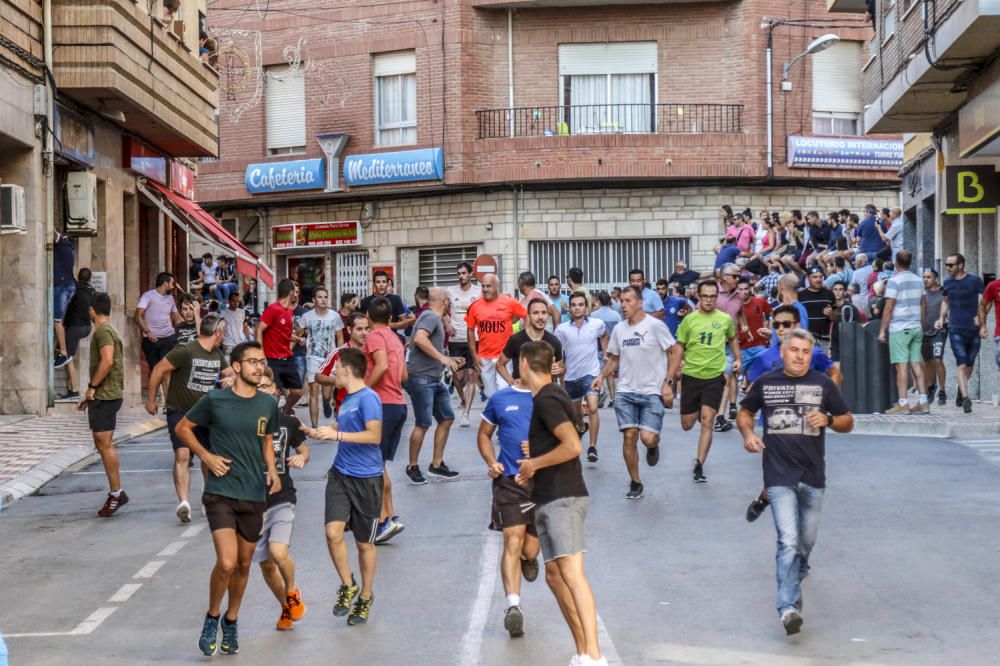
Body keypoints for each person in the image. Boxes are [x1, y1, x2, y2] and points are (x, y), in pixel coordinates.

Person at [737, 327, 854, 636]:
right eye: (794, 350)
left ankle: (799, 569)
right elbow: (745, 412)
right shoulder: (766, 383)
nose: (800, 356)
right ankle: (788, 607)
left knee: (806, 541)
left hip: (813, 477)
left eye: (805, 352)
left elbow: (848, 421)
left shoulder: (823, 384)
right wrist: (748, 434)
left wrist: (828, 419)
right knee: (788, 540)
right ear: (783, 352)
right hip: (778, 477)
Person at [176, 341, 281, 656]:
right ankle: (212, 616)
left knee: (245, 564)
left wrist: (273, 470)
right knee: (227, 561)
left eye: (261, 362)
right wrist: (206, 457)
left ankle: (231, 621)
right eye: (251, 362)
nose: (258, 367)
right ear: (236, 367)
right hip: (221, 492)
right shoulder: (215, 400)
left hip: (253, 492)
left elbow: (266, 442)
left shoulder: (267, 404)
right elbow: (183, 429)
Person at [514, 341, 606, 666]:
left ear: (524, 363)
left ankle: (594, 655)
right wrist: (535, 457)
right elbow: (569, 437)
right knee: (554, 574)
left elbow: (572, 446)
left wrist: (533, 465)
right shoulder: (550, 397)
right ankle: (582, 650)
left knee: (571, 572)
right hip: (550, 494)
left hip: (563, 496)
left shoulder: (548, 398)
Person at [305, 348, 383, 626]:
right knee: (332, 531)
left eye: (336, 368)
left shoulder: (369, 398)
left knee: (364, 544)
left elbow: (374, 436)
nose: (333, 373)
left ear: (348, 369)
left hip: (367, 478)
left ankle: (365, 595)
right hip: (340, 474)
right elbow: (343, 424)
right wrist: (321, 432)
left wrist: (337, 434)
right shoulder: (348, 400)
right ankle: (347, 583)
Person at [743, 305, 841, 523]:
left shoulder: (812, 353)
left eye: (786, 324)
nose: (780, 329)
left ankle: (767, 498)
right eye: (776, 325)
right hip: (776, 425)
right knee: (782, 474)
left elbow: (835, 374)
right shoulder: (765, 357)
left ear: (796, 326)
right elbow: (752, 385)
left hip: (808, 425)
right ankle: (769, 500)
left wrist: (827, 401)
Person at [145, 313, 230, 523]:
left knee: (208, 457)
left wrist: (231, 379)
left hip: (206, 414)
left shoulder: (217, 354)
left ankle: (208, 496)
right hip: (180, 412)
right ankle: (183, 502)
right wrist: (151, 399)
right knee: (182, 455)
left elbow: (229, 373)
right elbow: (158, 370)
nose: (224, 337)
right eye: (223, 333)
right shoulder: (186, 350)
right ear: (217, 332)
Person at [593, 286, 675, 499]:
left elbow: (674, 353)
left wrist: (668, 382)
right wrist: (601, 376)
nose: (623, 305)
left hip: (651, 392)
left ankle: (653, 446)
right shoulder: (620, 330)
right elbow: (614, 359)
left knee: (647, 438)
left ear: (640, 303)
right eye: (621, 301)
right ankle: (635, 482)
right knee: (629, 436)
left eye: (628, 301)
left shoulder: (656, 326)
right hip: (626, 391)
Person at [477, 379, 541, 638]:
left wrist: (539, 449)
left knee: (529, 548)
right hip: (510, 481)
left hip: (544, 483)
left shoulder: (550, 397)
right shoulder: (501, 398)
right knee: (512, 541)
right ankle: (513, 606)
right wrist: (492, 461)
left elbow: (571, 440)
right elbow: (483, 434)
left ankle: (531, 558)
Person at [667, 279, 740, 483]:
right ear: (698, 296)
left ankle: (699, 464)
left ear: (717, 297)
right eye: (705, 296)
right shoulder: (689, 320)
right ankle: (699, 408)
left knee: (708, 421)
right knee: (687, 424)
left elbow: (733, 338)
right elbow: (679, 347)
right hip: (691, 376)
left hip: (714, 376)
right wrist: (671, 376)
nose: (709, 300)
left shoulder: (725, 319)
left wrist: (738, 358)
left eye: (713, 296)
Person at [254, 367, 310, 631]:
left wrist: (301, 457)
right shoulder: (246, 422)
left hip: (282, 497)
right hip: (253, 502)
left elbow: (303, 448)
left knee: (278, 552)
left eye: (267, 387)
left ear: (277, 391)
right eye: (258, 387)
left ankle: (292, 590)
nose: (263, 391)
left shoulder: (287, 422)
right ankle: (285, 607)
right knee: (265, 564)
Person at [403, 288, 464, 503]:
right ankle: (412, 466)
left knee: (446, 418)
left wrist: (449, 358)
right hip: (421, 378)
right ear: (445, 301)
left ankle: (436, 465)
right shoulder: (430, 316)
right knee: (422, 423)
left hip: (433, 379)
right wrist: (443, 358)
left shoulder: (434, 318)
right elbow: (419, 339)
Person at [364, 298, 414, 543]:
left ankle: (384, 519)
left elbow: (381, 365)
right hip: (397, 403)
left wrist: (361, 389)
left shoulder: (374, 336)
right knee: (380, 464)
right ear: (392, 319)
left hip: (381, 404)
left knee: (375, 464)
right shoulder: (396, 338)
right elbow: (403, 375)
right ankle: (391, 517)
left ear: (368, 316)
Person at [77, 291, 127, 517]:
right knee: (101, 442)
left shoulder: (103, 331)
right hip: (105, 394)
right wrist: (90, 393)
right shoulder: (109, 329)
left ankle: (117, 493)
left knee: (104, 443)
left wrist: (92, 387)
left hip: (106, 394)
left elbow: (107, 361)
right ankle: (117, 491)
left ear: (92, 310)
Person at [556, 292, 608, 463]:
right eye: (574, 305)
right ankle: (581, 426)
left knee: (593, 407)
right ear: (569, 308)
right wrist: (559, 366)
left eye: (580, 304)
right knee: (576, 412)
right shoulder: (562, 329)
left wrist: (606, 354)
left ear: (586, 307)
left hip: (591, 374)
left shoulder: (597, 324)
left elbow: (604, 335)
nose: (577, 308)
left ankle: (592, 447)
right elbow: (558, 352)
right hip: (571, 376)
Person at [878, 250, 929, 415]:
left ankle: (903, 402)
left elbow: (889, 307)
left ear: (896, 263)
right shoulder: (918, 280)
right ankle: (923, 402)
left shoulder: (894, 281)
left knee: (901, 366)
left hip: (900, 327)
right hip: (916, 326)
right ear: (910, 262)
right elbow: (923, 305)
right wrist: (920, 323)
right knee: (916, 364)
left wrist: (882, 330)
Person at [936, 253, 984, 413]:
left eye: (950, 265)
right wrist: (941, 318)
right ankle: (965, 398)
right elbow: (945, 301)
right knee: (961, 363)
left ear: (961, 265)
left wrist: (981, 318)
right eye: (946, 265)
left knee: (969, 363)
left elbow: (985, 301)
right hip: (955, 328)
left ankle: (960, 388)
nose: (948, 268)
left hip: (973, 329)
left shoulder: (975, 281)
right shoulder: (947, 282)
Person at [466, 274, 528, 399]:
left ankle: (503, 417)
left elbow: (526, 315)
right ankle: (495, 416)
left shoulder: (509, 302)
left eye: (488, 286)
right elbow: (470, 331)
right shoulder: (475, 306)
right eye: (483, 286)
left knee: (503, 389)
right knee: (490, 394)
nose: (485, 289)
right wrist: (474, 356)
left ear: (496, 287)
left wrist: (524, 338)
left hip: (504, 356)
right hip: (484, 356)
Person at [256, 278, 304, 415]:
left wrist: (296, 338)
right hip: (272, 360)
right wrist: (260, 355)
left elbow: (284, 333)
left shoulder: (289, 311)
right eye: (295, 292)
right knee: (274, 393)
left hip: (287, 358)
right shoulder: (273, 309)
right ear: (290, 293)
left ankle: (284, 412)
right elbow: (259, 329)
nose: (297, 294)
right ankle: (270, 421)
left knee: (298, 391)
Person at [497, 297, 565, 389]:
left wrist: (559, 370)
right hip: (522, 393)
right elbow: (499, 364)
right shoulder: (516, 339)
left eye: (544, 313)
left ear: (548, 316)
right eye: (536, 313)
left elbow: (561, 367)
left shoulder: (554, 341)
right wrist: (511, 382)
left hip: (545, 393)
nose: (540, 317)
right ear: (528, 316)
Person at [300, 287, 344, 427]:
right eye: (320, 297)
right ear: (314, 300)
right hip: (312, 356)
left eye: (325, 297)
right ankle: (314, 426)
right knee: (314, 389)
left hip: (330, 357)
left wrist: (339, 355)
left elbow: (340, 337)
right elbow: (297, 332)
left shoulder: (334, 316)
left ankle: (326, 403)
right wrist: (299, 339)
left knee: (326, 393)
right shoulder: (307, 317)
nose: (323, 299)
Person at [446, 262, 483, 427]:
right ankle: (462, 397)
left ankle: (466, 414)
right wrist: (446, 323)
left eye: (463, 273)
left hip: (473, 339)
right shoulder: (450, 291)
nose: (461, 276)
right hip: (455, 340)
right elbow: (441, 309)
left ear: (470, 275)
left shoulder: (478, 291)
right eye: (459, 273)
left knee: (471, 376)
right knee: (458, 377)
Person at [316, 312, 370, 416]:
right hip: (345, 411)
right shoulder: (339, 353)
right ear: (349, 330)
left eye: (367, 328)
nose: (364, 333)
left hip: (369, 409)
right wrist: (336, 381)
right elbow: (319, 376)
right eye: (359, 329)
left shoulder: (374, 351)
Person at [136, 272, 180, 398]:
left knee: (166, 371)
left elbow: (177, 318)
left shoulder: (170, 299)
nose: (173, 286)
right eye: (172, 283)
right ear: (165, 283)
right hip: (151, 341)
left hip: (168, 338)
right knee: (156, 371)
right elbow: (138, 315)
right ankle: (155, 398)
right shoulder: (148, 296)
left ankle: (168, 403)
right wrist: (148, 332)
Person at [59, 268, 97, 400]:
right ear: (90, 279)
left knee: (67, 356)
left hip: (75, 327)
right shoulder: (92, 290)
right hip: (87, 327)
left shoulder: (73, 287)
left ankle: (74, 389)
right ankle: (71, 386)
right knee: (66, 352)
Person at [360, 270, 415, 344]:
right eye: (378, 282)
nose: (381, 285)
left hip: (391, 340)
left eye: (384, 282)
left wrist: (386, 325)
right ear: (374, 284)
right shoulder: (365, 301)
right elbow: (361, 323)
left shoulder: (396, 299)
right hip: (372, 340)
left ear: (387, 283)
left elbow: (405, 324)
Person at [921, 269, 947, 406]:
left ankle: (942, 391)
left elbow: (948, 305)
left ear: (936, 278)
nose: (925, 279)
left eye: (929, 277)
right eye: (924, 277)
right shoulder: (922, 293)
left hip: (939, 331)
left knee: (937, 359)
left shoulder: (943, 291)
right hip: (923, 331)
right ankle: (931, 387)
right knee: (927, 362)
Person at [53, 230, 76, 368]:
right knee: (57, 320)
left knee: (57, 321)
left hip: (62, 286)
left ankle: (63, 352)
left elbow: (54, 234)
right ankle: (56, 350)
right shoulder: (69, 248)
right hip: (67, 285)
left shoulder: (62, 242)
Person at [826, 281, 859, 364]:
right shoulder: (828, 308)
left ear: (845, 292)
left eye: (840, 289)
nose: (837, 292)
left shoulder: (851, 308)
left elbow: (858, 327)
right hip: (833, 344)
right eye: (835, 289)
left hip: (848, 344)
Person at [798, 267, 835, 340]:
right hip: (806, 339)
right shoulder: (800, 296)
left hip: (826, 339)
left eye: (821, 277)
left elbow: (836, 317)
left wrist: (832, 314)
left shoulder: (830, 294)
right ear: (808, 278)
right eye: (815, 277)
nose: (818, 279)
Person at [220, 291, 251, 357]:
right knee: (226, 364)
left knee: (239, 363)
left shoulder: (243, 312)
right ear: (229, 301)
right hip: (227, 343)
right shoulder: (222, 313)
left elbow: (245, 327)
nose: (236, 303)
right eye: (233, 301)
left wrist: (248, 340)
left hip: (240, 343)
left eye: (237, 301)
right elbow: (220, 329)